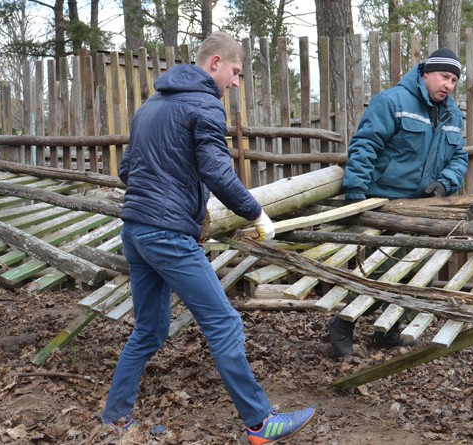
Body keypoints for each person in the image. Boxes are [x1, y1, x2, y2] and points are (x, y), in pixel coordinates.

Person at [101, 31, 315, 444]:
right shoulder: (204, 105)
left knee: (150, 329)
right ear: (215, 63)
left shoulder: (150, 106)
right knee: (224, 323)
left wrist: (171, 185)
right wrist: (256, 212)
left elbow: (128, 171)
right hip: (167, 235)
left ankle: (114, 417)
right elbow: (217, 172)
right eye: (235, 72)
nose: (236, 83)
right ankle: (260, 423)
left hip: (136, 231)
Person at [330, 48, 469, 357]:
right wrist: (356, 192)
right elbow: (365, 145)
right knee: (377, 271)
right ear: (425, 74)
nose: (448, 85)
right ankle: (341, 325)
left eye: (454, 80)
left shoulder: (452, 114)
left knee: (408, 270)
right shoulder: (392, 102)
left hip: (420, 206)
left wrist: (445, 183)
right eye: (444, 76)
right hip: (383, 202)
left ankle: (388, 330)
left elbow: (459, 156)